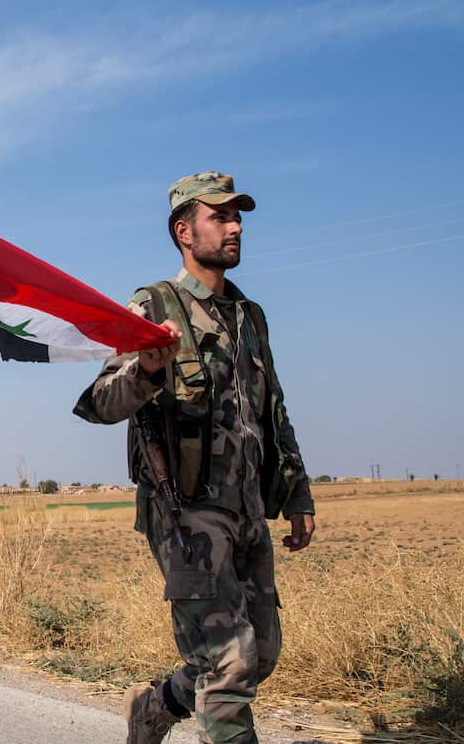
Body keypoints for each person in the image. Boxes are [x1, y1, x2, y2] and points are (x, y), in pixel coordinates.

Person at [74, 171, 315, 744]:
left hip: (249, 509)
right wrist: (147, 369)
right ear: (185, 231)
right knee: (230, 668)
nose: (235, 228)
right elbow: (101, 402)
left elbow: (273, 411)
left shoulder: (249, 317)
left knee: (260, 654)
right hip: (186, 513)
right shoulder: (153, 305)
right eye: (221, 217)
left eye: (238, 218)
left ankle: (157, 707)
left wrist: (297, 493)